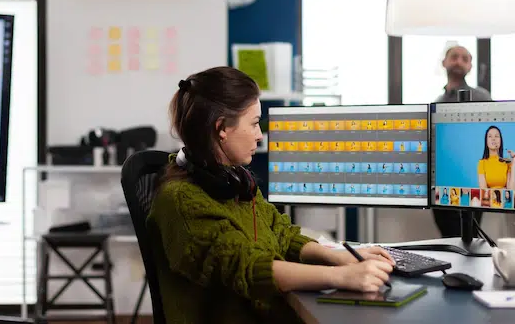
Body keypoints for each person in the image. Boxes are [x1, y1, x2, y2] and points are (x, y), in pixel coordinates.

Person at [148, 67, 396, 324]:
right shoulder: (181, 200)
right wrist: (342, 277)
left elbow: (282, 234)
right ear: (221, 127)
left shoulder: (233, 182)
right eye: (255, 124)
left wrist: (337, 257)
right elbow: (248, 268)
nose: (259, 135)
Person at [432, 45, 491, 238]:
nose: (459, 61)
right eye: (454, 57)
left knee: (469, 237)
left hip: (472, 178)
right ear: (444, 62)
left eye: (465, 58)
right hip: (441, 180)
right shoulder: (437, 101)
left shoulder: (481, 96)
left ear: (470, 66)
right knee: (448, 237)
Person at [477, 125, 515, 189]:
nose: (493, 139)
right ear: (486, 141)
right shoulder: (482, 163)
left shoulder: (507, 162)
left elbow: (512, 190)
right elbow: (483, 191)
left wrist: (514, 162)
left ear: (500, 141)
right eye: (490, 136)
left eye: (496, 136)